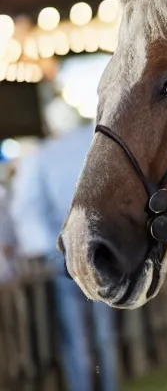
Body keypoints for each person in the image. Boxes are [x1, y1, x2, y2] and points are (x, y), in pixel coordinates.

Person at [10, 122, 120, 391]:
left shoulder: (44, 155)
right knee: (103, 335)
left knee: (76, 338)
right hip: (100, 252)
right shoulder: (95, 143)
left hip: (64, 256)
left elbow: (27, 208)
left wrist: (51, 246)